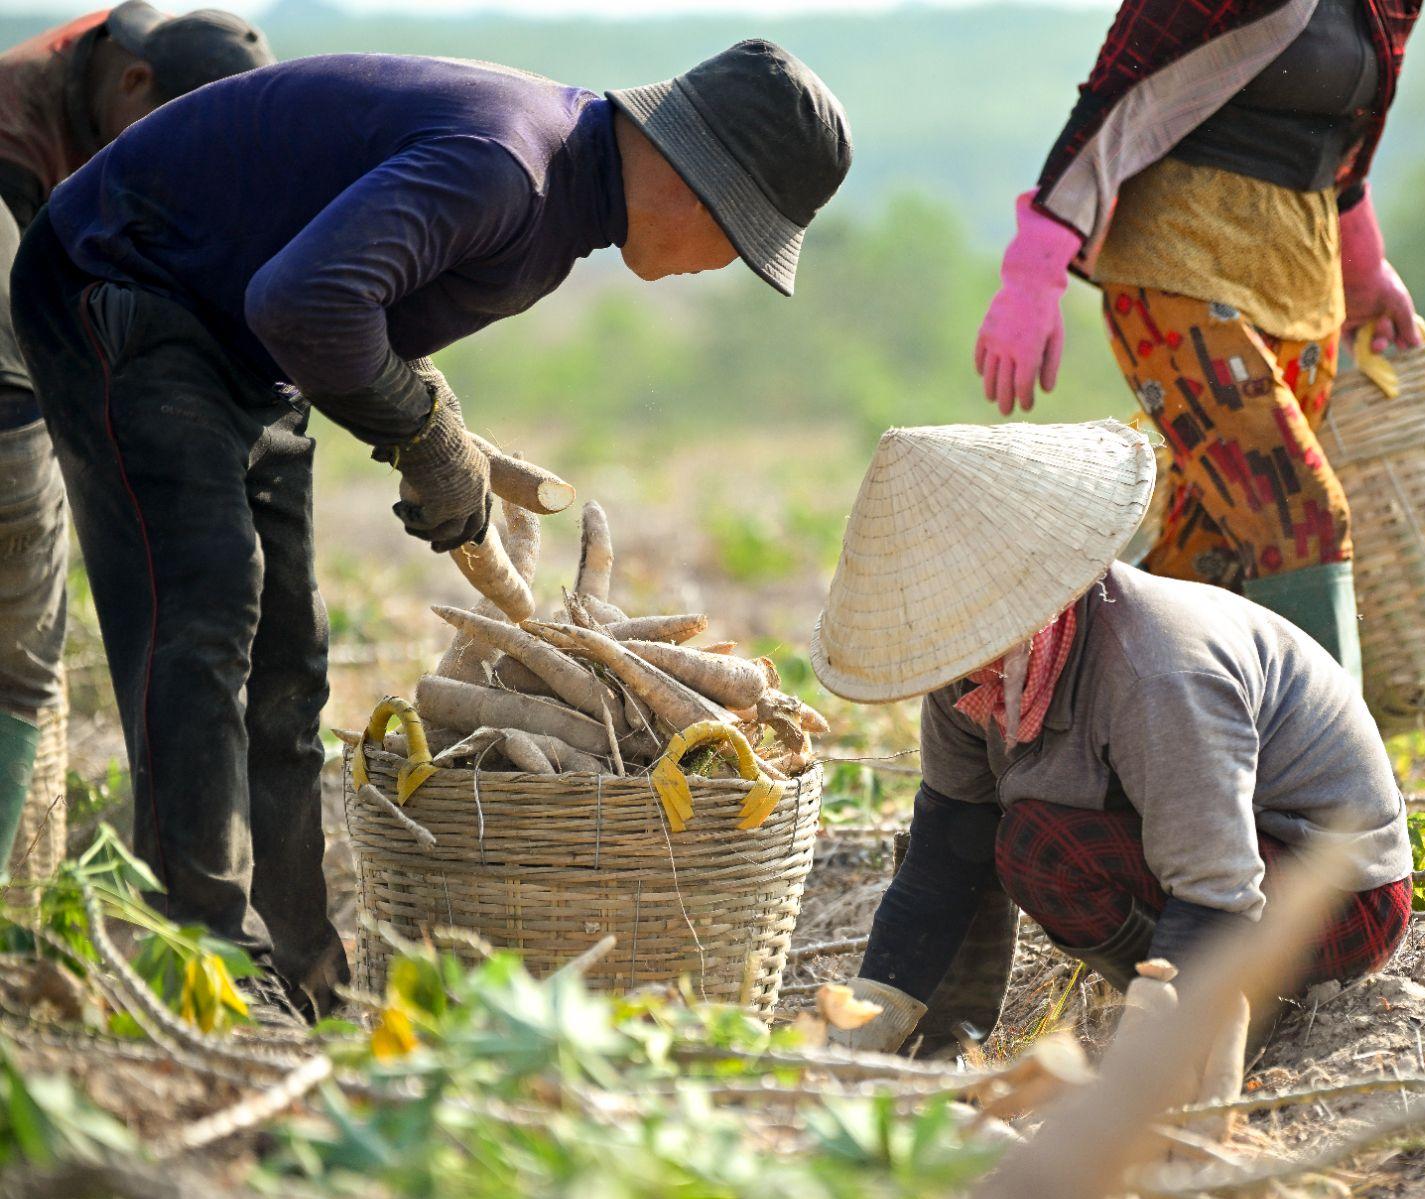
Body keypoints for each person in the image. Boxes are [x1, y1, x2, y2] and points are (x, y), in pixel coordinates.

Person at [11, 42, 852, 1014]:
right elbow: (304, 300)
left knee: (290, 663)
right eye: (738, 242)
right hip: (123, 294)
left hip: (238, 347)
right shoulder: (509, 166)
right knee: (203, 616)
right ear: (697, 187)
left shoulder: (560, 193)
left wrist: (432, 415)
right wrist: (417, 429)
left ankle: (301, 974)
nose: (717, 267)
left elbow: (340, 303)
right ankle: (199, 961)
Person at [810, 421, 1412, 1088]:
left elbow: (1216, 886)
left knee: (1044, 844)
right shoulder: (975, 679)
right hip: (1217, 862)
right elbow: (945, 854)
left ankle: (1223, 1013)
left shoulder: (1156, 671)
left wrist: (1151, 1048)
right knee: (1011, 837)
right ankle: (967, 1038)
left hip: (1336, 893)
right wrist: (875, 1012)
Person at [971, 0, 1425, 685]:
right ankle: (1334, 778)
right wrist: (1032, 273)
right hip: (1177, 262)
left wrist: (1365, 267)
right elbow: (1115, 95)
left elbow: (1345, 149)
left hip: (1302, 277)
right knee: (1304, 521)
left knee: (1208, 557)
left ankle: (1079, 741)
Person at [0, 1, 273, 873]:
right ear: (133, 80)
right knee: (19, 669)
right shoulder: (15, 135)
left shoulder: (89, 84)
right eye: (174, 131)